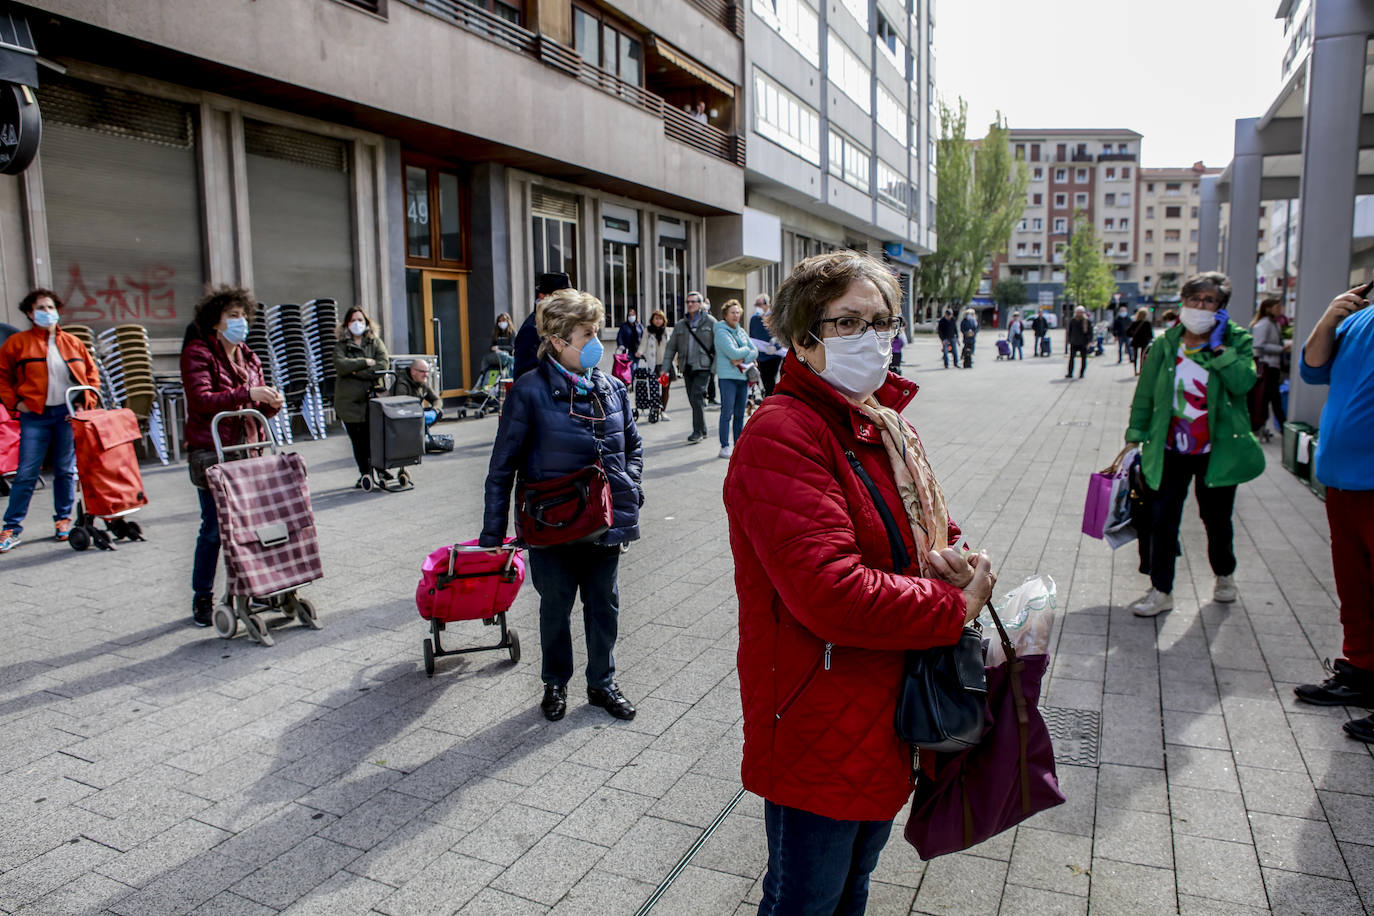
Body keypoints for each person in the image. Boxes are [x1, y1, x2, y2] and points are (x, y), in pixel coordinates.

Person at [722, 251, 997, 913]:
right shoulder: (784, 433)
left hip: (884, 705)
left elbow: (927, 533)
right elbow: (831, 591)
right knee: (805, 901)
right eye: (847, 323)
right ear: (802, 338)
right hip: (819, 711)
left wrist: (958, 560)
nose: (872, 339)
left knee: (853, 890)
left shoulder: (883, 424)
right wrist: (952, 605)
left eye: (882, 322)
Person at [479, 289, 642, 722]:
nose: (597, 342)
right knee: (555, 609)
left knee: (604, 606)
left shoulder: (612, 387)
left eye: (597, 332)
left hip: (603, 524)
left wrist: (630, 487)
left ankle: (602, 683)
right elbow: (502, 468)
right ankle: (555, 682)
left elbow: (634, 448)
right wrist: (492, 536)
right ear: (557, 340)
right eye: (587, 333)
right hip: (550, 526)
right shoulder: (528, 392)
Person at [1124, 272, 1262, 616]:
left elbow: (1244, 383)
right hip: (1170, 449)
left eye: (1209, 301)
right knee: (1162, 519)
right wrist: (1134, 434)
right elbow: (1145, 393)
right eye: (1195, 299)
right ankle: (1161, 589)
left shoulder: (1237, 341)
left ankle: (1224, 574)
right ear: (1183, 302)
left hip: (1217, 452)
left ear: (1220, 308)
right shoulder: (1166, 343)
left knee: (1216, 519)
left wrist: (1219, 348)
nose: (1200, 306)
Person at [1292, 283, 1374, 742]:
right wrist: (1328, 317)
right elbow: (1312, 368)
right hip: (1344, 478)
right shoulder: (1359, 319)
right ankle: (1361, 671)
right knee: (1355, 585)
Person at [179, 287, 284, 626]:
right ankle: (202, 597)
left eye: (243, 316)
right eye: (233, 317)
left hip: (247, 451)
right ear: (215, 322)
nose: (241, 322)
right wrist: (247, 392)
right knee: (214, 529)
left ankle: (254, 587)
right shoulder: (198, 353)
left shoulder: (249, 356)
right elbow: (201, 400)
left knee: (251, 525)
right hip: (212, 452)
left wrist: (269, 405)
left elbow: (253, 408)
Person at [0, 289, 101, 554]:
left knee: (65, 471)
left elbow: (91, 376)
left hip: (66, 414)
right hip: (34, 415)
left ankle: (63, 521)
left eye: (50, 307)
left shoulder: (73, 343)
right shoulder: (17, 343)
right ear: (30, 314)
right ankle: (11, 528)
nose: (47, 312)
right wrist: (16, 403)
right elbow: (2, 377)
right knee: (26, 473)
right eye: (41, 308)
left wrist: (83, 403)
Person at [334, 306, 391, 488]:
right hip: (349, 403)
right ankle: (365, 473)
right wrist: (365, 362)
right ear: (346, 324)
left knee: (376, 437)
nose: (357, 324)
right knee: (358, 441)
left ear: (367, 323)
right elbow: (341, 366)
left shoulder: (375, 343)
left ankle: (381, 469)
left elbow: (382, 365)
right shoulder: (341, 346)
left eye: (360, 320)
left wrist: (356, 372)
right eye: (353, 320)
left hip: (373, 400)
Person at [661, 291, 716, 444]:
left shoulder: (711, 322)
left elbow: (718, 345)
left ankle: (697, 431)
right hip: (686, 367)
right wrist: (665, 368)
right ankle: (703, 428)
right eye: (688, 302)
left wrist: (715, 368)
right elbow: (671, 348)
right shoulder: (680, 325)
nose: (690, 304)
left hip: (703, 366)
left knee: (696, 396)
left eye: (693, 301)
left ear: (700, 304)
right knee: (694, 399)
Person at [714, 300, 758, 459]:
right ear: (725, 315)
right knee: (727, 412)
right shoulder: (721, 331)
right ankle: (724, 446)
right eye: (732, 312)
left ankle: (738, 444)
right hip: (728, 378)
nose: (736, 315)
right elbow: (733, 353)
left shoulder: (741, 331)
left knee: (740, 413)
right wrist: (745, 353)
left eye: (738, 312)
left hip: (743, 376)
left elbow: (755, 351)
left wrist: (742, 356)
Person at [513, 272, 572, 379]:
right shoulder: (531, 329)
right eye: (561, 297)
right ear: (543, 296)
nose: (567, 303)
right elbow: (524, 378)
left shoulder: (558, 322)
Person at [1249, 297, 1289, 441]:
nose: (1280, 309)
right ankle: (1279, 427)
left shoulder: (1275, 324)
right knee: (1270, 398)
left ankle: (1264, 427)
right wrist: (1281, 349)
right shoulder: (1264, 324)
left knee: (1269, 398)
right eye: (1277, 307)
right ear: (1268, 308)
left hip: (1273, 366)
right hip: (1266, 366)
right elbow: (1258, 345)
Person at [637, 309, 671, 421]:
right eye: (656, 318)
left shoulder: (665, 331)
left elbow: (671, 346)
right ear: (652, 320)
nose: (658, 321)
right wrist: (640, 352)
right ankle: (656, 409)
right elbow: (643, 343)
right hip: (654, 365)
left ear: (663, 320)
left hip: (664, 365)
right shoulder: (648, 330)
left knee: (665, 388)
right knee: (654, 389)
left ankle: (663, 411)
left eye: (660, 318)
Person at [392, 359, 443, 427]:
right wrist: (418, 413)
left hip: (415, 412)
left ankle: (423, 432)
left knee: (439, 412)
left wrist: (434, 411)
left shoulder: (422, 382)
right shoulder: (402, 384)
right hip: (402, 416)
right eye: (422, 372)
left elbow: (437, 399)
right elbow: (402, 407)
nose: (426, 375)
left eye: (427, 371)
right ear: (413, 371)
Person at [749, 295, 783, 397]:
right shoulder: (754, 319)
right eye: (756, 305)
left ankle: (771, 399)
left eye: (760, 304)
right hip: (761, 355)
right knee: (764, 379)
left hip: (774, 355)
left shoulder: (774, 318)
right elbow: (752, 336)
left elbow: (781, 334)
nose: (758, 307)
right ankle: (769, 397)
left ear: (767, 305)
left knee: (771, 380)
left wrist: (776, 346)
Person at [1066, 306, 1093, 378]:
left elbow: (1090, 332)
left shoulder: (1087, 321)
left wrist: (1089, 341)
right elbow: (1070, 331)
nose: (1079, 314)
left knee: (1083, 359)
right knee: (1071, 358)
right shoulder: (1073, 321)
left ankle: (1082, 373)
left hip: (1083, 343)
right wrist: (1069, 340)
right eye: (1078, 312)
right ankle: (1070, 373)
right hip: (1074, 342)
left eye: (1081, 312)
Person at [1127, 307, 1154, 375]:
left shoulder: (1134, 323)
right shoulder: (1147, 323)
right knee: (1143, 356)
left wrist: (1133, 335)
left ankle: (1135, 371)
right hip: (1144, 341)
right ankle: (1141, 370)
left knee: (1135, 356)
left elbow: (1127, 332)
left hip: (1135, 341)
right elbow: (1150, 334)